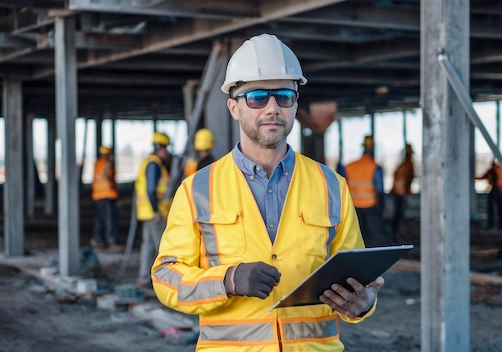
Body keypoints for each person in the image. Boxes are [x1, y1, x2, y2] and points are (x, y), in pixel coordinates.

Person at [151, 33, 384, 351]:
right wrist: (227, 280)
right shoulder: (196, 190)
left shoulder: (332, 186)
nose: (272, 108)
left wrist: (364, 304)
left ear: (295, 104)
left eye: (284, 96)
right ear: (234, 107)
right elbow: (166, 278)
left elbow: (356, 276)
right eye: (257, 97)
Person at [134, 131, 172, 291]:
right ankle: (168, 283)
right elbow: (151, 190)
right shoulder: (154, 165)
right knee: (163, 248)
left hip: (146, 212)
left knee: (148, 245)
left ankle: (143, 279)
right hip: (154, 213)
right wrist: (156, 210)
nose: (167, 152)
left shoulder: (149, 162)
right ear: (159, 148)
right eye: (165, 149)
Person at [345, 135, 388, 247]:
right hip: (370, 206)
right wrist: (381, 206)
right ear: (373, 149)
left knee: (356, 236)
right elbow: (380, 190)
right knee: (378, 236)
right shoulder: (374, 167)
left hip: (353, 206)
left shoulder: (349, 166)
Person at [90, 145, 123, 252]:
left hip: (98, 196)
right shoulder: (107, 164)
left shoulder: (97, 164)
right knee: (110, 220)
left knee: (99, 219)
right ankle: (111, 242)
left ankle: (96, 239)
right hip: (107, 196)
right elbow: (106, 178)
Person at [390, 143, 415, 240]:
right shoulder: (408, 165)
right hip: (401, 192)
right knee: (399, 214)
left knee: (398, 213)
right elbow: (409, 179)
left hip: (397, 192)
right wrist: (408, 191)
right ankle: (396, 234)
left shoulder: (402, 165)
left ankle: (395, 233)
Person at [476, 159, 502, 231]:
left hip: (494, 190)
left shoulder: (493, 170)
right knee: (501, 208)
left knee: (491, 208)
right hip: (501, 190)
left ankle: (491, 225)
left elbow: (483, 177)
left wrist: (474, 177)